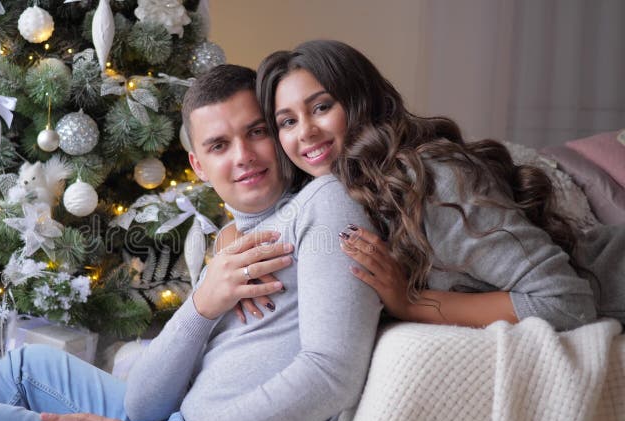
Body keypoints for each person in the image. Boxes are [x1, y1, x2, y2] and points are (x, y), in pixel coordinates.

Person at [0, 64, 382, 421]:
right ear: (199, 166)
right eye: (220, 145)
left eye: (258, 132)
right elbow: (142, 405)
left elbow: (331, 375)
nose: (243, 157)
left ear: (279, 131)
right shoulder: (236, 239)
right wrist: (203, 303)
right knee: (23, 367)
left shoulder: (323, 203)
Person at [242, 39, 624, 332]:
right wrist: (237, 255)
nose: (306, 132)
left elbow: (566, 302)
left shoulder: (434, 183)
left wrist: (410, 304)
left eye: (322, 107)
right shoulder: (331, 198)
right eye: (287, 122)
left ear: (360, 104)